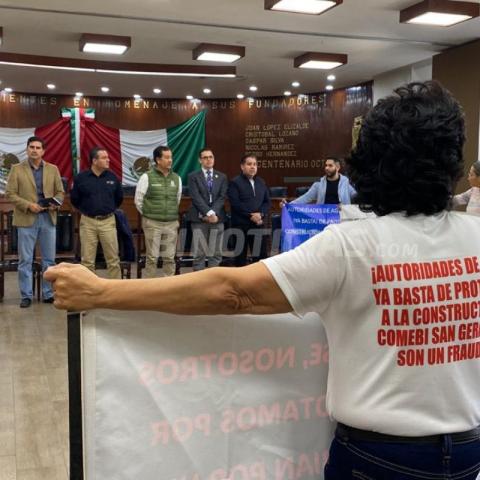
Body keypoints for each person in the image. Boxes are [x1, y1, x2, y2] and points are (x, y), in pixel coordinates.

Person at [46, 82, 480, 479]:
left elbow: (232, 292)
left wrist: (102, 291)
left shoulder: (351, 245)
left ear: (371, 161)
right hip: (468, 453)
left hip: (377, 457)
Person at [5, 136, 64, 307]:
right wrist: (28, 205)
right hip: (26, 218)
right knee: (25, 260)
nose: (34, 150)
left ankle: (47, 293)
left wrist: (55, 204)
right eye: (32, 147)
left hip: (47, 218)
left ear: (43, 151)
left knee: (49, 260)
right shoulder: (16, 169)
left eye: (38, 147)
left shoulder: (53, 169)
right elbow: (10, 194)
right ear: (27, 149)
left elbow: (60, 192)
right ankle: (26, 295)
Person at [70, 147, 123, 279]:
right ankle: (90, 291)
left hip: (108, 221)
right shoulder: (81, 178)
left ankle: (116, 291)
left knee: (113, 260)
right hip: (88, 221)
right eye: (104, 158)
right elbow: (75, 199)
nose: (108, 160)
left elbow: (119, 199)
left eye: (108, 157)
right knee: (87, 261)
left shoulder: (113, 177)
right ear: (94, 160)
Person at [134, 145, 181, 277]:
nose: (170, 160)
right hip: (152, 223)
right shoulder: (146, 177)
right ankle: (150, 288)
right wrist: (149, 214)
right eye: (166, 157)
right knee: (152, 258)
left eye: (171, 157)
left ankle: (169, 287)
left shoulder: (177, 178)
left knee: (169, 258)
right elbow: (138, 200)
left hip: (171, 223)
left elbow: (177, 199)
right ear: (158, 160)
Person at [187, 148, 228, 270]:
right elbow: (195, 197)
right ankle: (199, 283)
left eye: (211, 157)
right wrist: (208, 212)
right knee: (199, 253)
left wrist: (213, 213)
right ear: (200, 160)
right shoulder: (193, 176)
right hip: (199, 219)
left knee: (215, 253)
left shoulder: (222, 177)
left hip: (217, 219)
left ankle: (213, 282)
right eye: (205, 157)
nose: (208, 160)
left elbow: (222, 197)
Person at [227, 154, 271, 266]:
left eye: (255, 164)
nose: (253, 167)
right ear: (242, 166)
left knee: (260, 259)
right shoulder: (235, 182)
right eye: (249, 164)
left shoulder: (261, 182)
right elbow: (236, 203)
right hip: (241, 226)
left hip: (257, 225)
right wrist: (251, 215)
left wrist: (260, 214)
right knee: (240, 260)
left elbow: (267, 202)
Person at [281, 157, 356, 207]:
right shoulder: (318, 183)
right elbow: (306, 197)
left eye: (330, 166)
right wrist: (288, 205)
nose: (326, 168)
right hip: (323, 217)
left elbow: (355, 196)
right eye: (326, 165)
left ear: (337, 168)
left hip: (341, 218)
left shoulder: (345, 182)